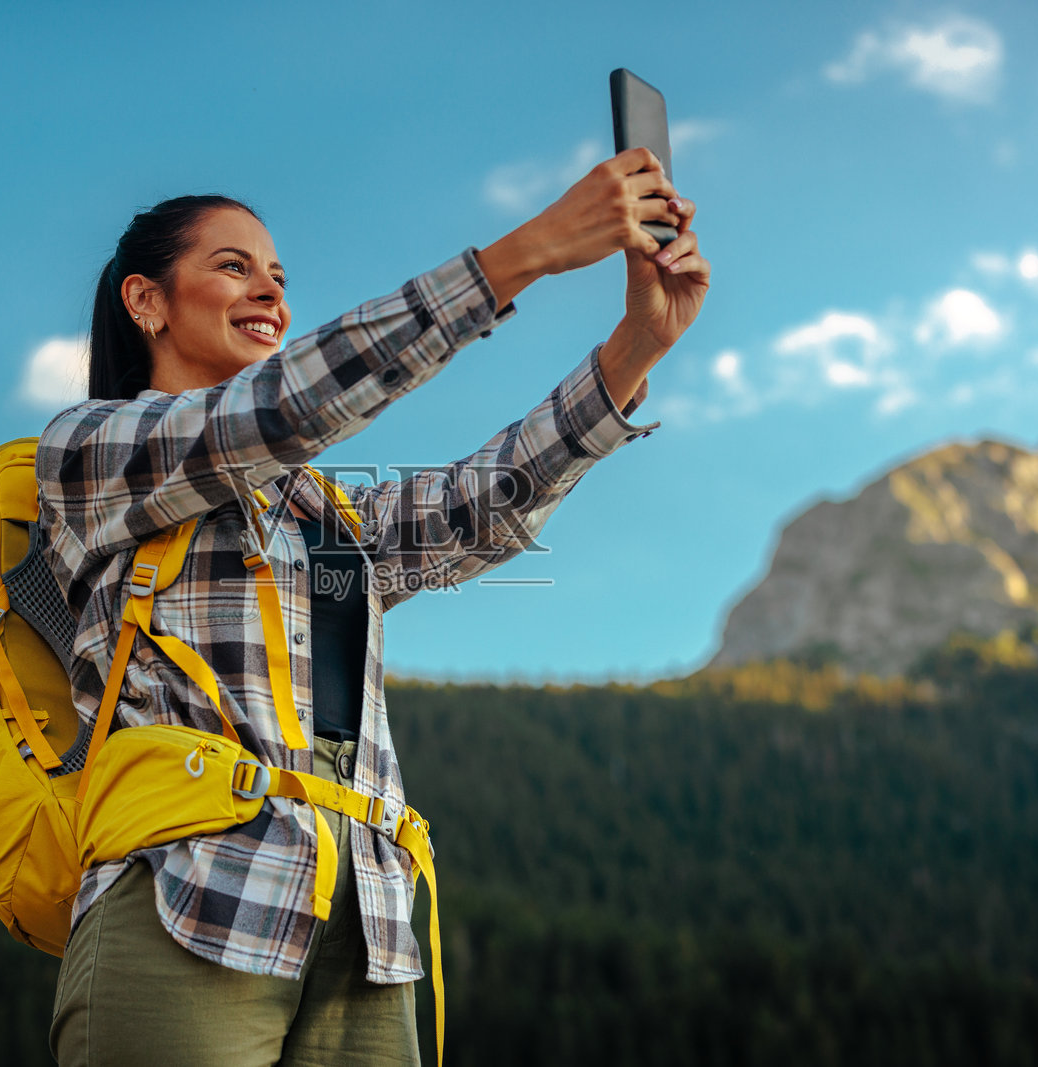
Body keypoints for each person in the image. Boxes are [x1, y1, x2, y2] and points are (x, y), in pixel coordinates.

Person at [39, 148, 708, 1065]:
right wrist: (525, 254)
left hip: (367, 932)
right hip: (185, 900)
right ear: (145, 300)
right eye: (232, 266)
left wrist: (638, 345)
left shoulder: (325, 516)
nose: (269, 293)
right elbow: (277, 411)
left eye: (279, 277)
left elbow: (481, 507)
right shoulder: (90, 454)